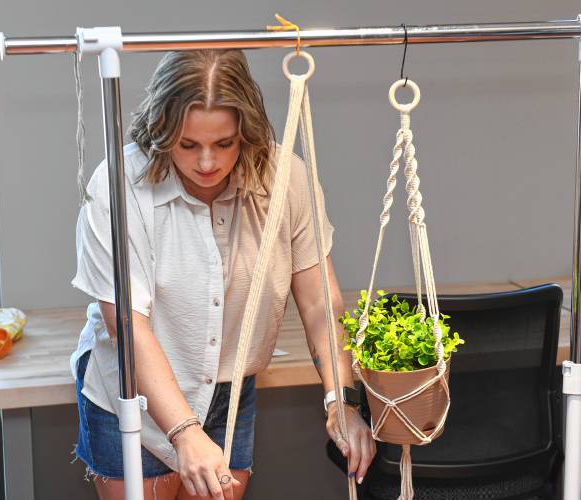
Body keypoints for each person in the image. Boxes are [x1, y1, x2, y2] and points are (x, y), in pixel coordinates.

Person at [70, 48, 375, 500]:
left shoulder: (284, 178)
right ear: (161, 130)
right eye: (188, 144)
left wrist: (342, 401)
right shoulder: (119, 183)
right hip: (132, 394)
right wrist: (184, 431)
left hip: (228, 392)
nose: (207, 162)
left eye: (224, 144)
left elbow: (318, 305)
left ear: (246, 133)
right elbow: (129, 327)